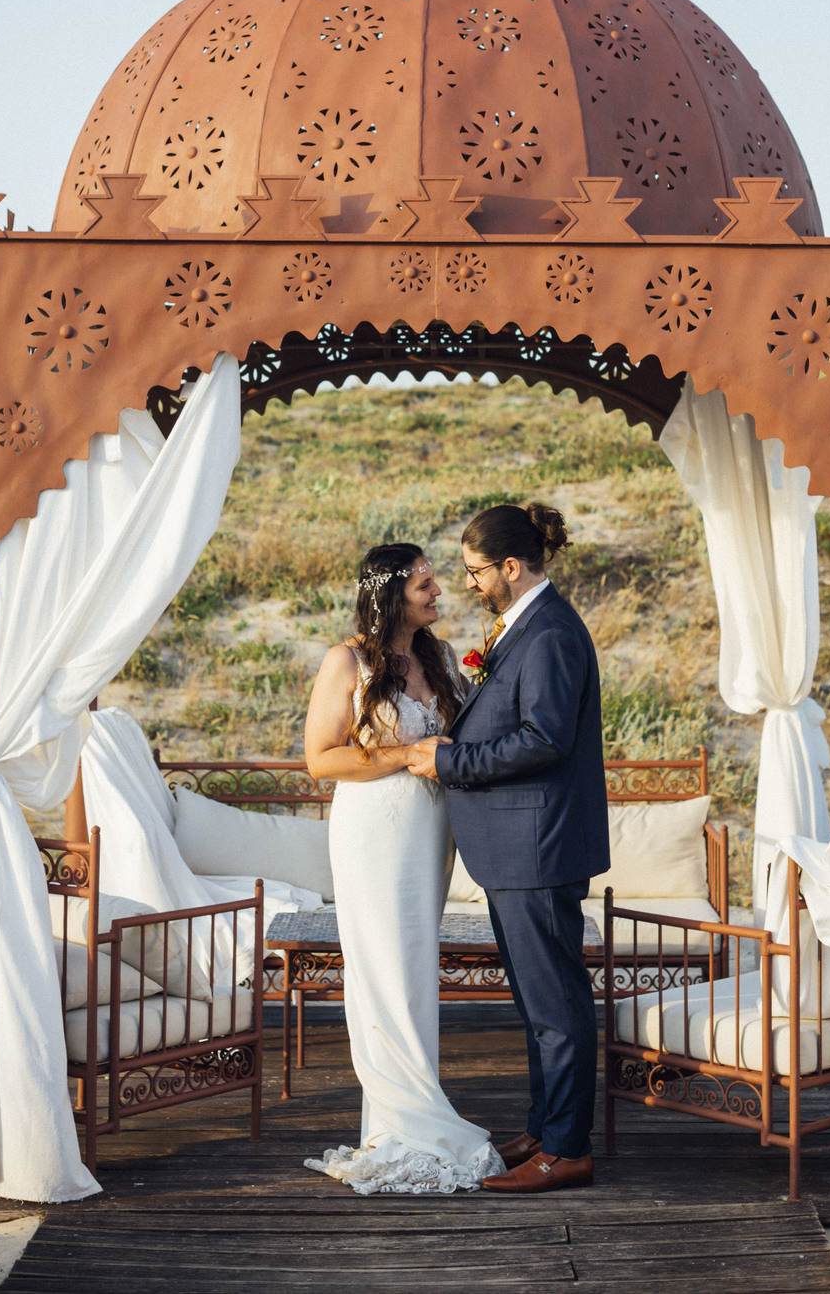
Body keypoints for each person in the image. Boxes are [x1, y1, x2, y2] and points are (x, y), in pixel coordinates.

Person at [408, 502, 609, 1193]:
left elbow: (544, 739)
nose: (468, 583)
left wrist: (449, 761)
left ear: (511, 568)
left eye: (475, 572)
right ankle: (547, 1128)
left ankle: (568, 1149)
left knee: (555, 1006)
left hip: (539, 845)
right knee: (537, 1003)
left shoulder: (549, 633)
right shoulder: (523, 626)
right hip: (521, 846)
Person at [302, 542, 502, 1195]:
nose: (437, 591)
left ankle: (405, 1116)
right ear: (390, 592)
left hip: (429, 832)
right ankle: (407, 1123)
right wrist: (408, 752)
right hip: (374, 829)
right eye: (423, 584)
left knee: (414, 967)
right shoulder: (349, 661)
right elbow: (322, 760)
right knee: (383, 967)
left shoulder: (443, 659)